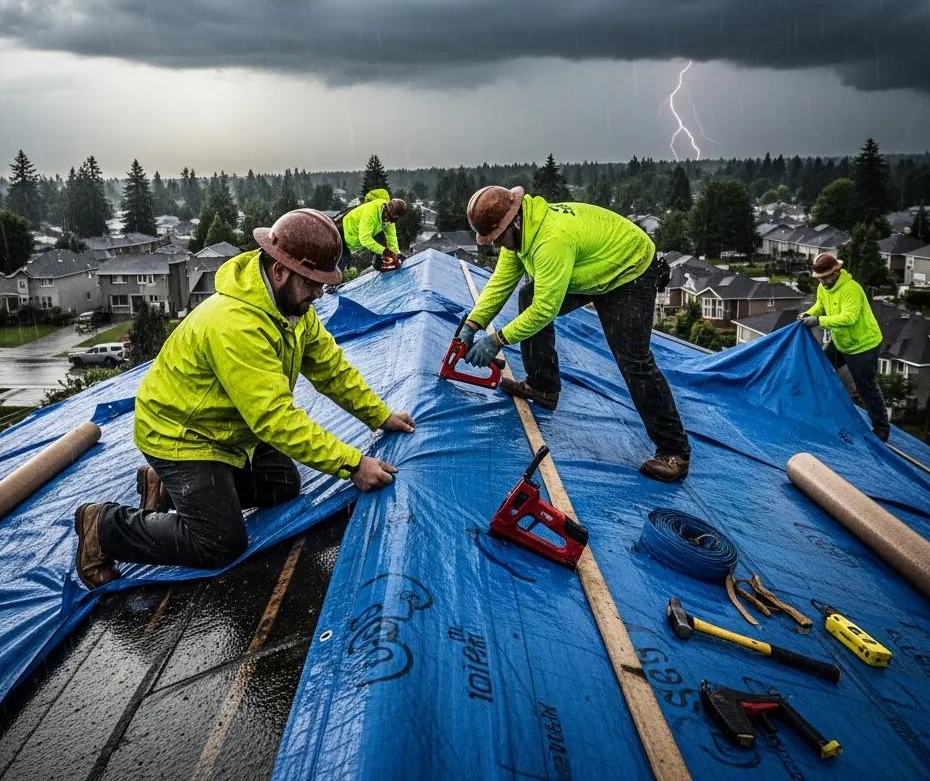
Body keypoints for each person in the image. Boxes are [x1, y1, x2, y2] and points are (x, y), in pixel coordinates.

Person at [74, 208, 416, 589]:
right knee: (219, 542)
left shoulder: (292, 309)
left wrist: (379, 416)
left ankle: (167, 488)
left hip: (229, 430)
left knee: (282, 485)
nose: (320, 292)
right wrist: (352, 464)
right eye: (312, 282)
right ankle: (103, 526)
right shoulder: (237, 324)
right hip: (182, 435)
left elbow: (330, 369)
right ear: (281, 271)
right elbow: (274, 419)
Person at [460, 186, 691, 482]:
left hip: (629, 270)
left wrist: (496, 340)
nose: (498, 245)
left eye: (498, 237)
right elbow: (500, 283)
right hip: (594, 267)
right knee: (528, 295)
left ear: (514, 221)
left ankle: (674, 451)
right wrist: (473, 324)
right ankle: (542, 386)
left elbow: (545, 310)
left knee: (634, 360)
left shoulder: (550, 240)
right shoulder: (519, 235)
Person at [800, 252, 889, 441]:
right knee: (820, 367)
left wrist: (818, 320)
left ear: (836, 271)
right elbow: (820, 305)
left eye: (825, 277)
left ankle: (882, 429)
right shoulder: (824, 288)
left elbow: (849, 318)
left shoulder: (851, 289)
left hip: (863, 345)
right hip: (841, 342)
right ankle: (820, 411)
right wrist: (808, 313)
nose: (823, 282)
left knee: (866, 387)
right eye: (819, 278)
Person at [337, 188, 408, 273]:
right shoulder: (371, 212)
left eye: (394, 219)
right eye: (390, 217)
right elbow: (365, 239)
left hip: (352, 241)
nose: (389, 221)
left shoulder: (389, 218)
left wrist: (397, 253)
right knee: (338, 266)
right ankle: (329, 284)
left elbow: (391, 237)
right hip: (342, 233)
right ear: (387, 209)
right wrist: (385, 251)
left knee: (342, 263)